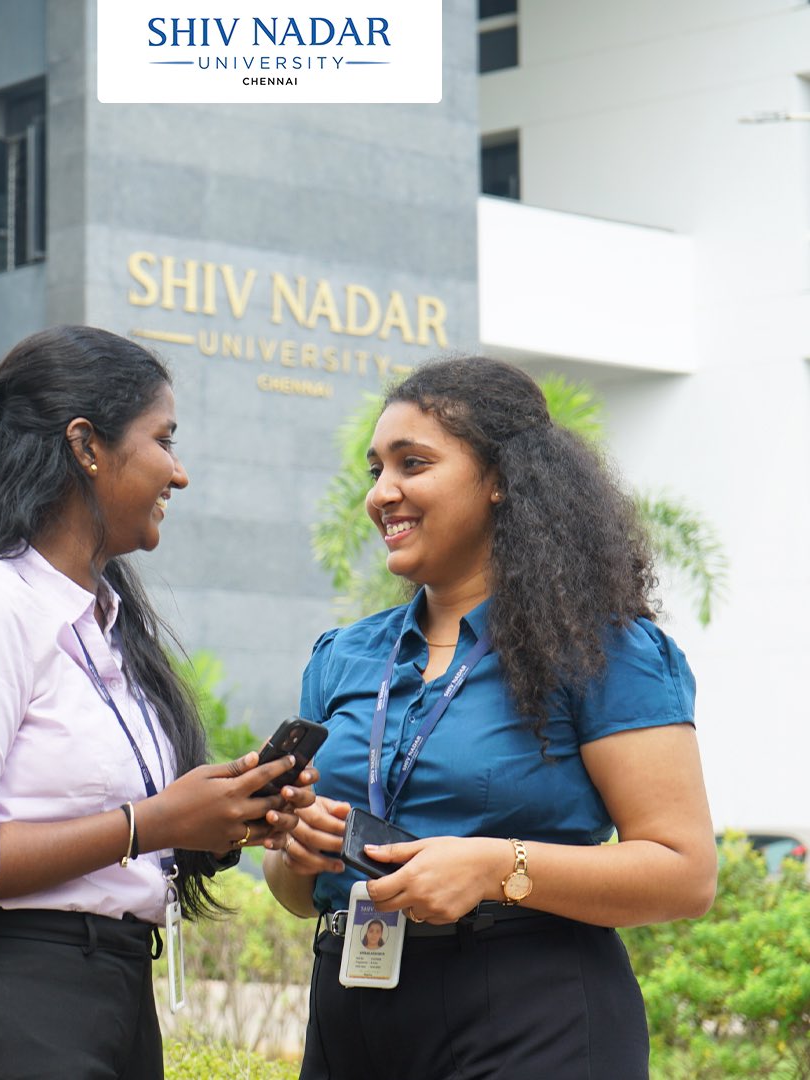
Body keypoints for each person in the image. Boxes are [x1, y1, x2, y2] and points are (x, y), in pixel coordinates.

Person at [0, 326, 316, 1080]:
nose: (179, 473)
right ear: (87, 445)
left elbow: (109, 828)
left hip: (112, 996)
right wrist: (151, 822)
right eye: (164, 439)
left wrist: (219, 819)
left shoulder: (102, 623)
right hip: (5, 1002)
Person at [264, 357, 717, 1080]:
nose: (383, 494)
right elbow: (290, 893)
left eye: (413, 464)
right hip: (352, 1005)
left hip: (533, 1012)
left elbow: (684, 874)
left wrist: (494, 867)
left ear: (502, 479)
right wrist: (298, 851)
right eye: (375, 469)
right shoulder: (344, 657)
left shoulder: (603, 650)